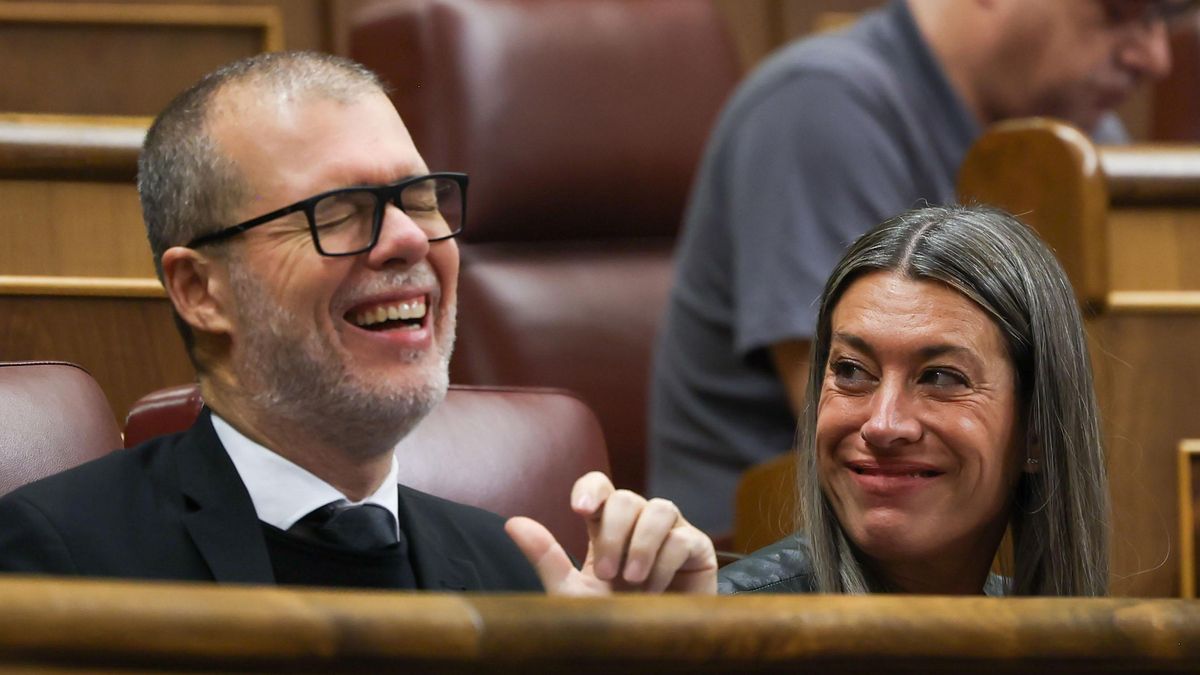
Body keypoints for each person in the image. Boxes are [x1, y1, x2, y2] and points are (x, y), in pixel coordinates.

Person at [0, 51, 716, 596]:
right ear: (201, 290)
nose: (409, 239)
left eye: (423, 197)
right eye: (338, 211)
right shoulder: (62, 560)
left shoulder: (519, 572)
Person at [650, 0, 1186, 535]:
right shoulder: (819, 107)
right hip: (770, 559)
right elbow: (869, 430)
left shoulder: (1083, 146)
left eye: (1165, 19)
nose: (1155, 57)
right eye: (1120, 14)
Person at [718, 205, 1107, 595]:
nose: (883, 425)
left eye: (941, 377)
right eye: (852, 371)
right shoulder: (726, 632)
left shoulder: (1069, 637)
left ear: (1036, 429)